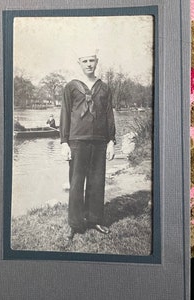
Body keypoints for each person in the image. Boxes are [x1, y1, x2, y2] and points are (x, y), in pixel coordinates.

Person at [60, 48, 116, 240]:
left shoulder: (105, 88)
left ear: (97, 61)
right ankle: (75, 223)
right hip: (77, 141)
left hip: (100, 142)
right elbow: (65, 114)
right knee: (76, 183)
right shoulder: (71, 87)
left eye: (92, 60)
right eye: (85, 61)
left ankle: (95, 219)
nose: (89, 64)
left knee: (97, 181)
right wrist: (63, 143)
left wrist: (111, 141)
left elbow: (109, 115)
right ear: (79, 63)